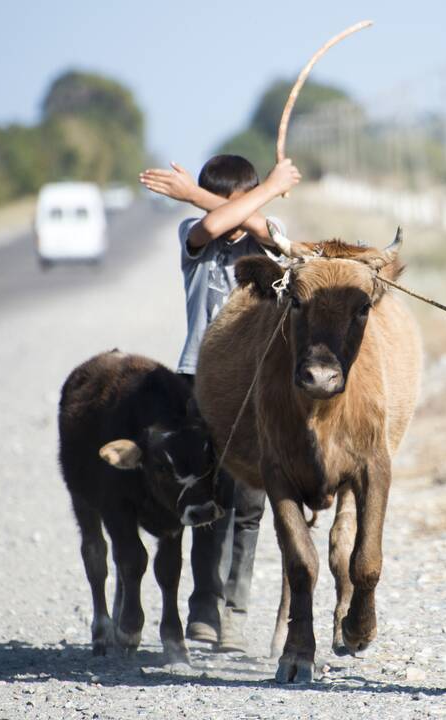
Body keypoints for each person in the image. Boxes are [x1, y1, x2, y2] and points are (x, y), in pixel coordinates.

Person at [138, 154, 301, 653]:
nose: (238, 213)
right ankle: (203, 607)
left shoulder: (270, 236)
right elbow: (213, 221)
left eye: (247, 198)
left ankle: (235, 609)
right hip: (200, 380)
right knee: (207, 499)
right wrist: (268, 186)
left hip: (256, 385)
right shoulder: (194, 233)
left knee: (250, 502)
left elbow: (260, 226)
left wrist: (258, 195)